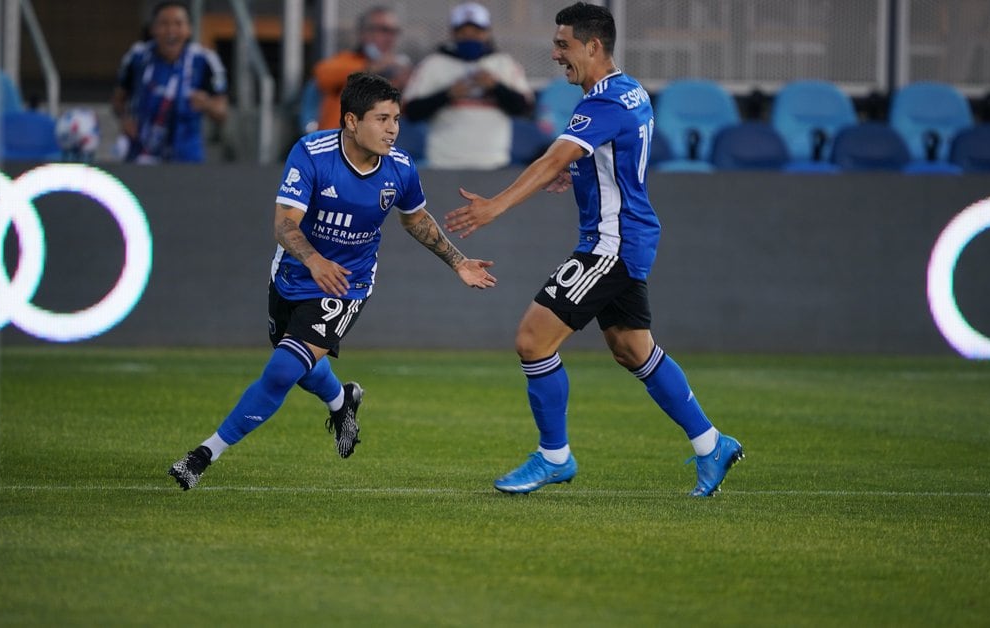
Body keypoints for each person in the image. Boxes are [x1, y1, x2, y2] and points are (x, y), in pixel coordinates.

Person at [444, 3, 744, 497]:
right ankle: (712, 444)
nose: (556, 53)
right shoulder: (628, 92)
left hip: (611, 244)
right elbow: (609, 156)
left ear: (593, 46)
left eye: (564, 44)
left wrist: (494, 206)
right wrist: (581, 169)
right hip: (628, 238)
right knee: (632, 349)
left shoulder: (603, 102)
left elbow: (554, 156)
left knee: (532, 340)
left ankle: (554, 457)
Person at [168, 72, 497, 490]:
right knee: (304, 367)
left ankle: (201, 457)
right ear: (351, 122)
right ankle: (343, 402)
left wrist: (458, 261)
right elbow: (285, 225)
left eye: (395, 118)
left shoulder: (400, 168)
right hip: (293, 274)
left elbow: (415, 219)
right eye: (381, 119)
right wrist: (314, 260)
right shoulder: (311, 153)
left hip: (347, 285)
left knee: (283, 369)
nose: (392, 129)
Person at [401, 2, 533, 169]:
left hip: (493, 163)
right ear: (453, 33)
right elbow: (411, 112)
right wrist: (448, 95)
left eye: (476, 32)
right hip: (444, 163)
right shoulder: (434, 64)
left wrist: (495, 87)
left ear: (487, 32)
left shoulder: (503, 63)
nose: (470, 37)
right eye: (463, 32)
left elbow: (524, 108)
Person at [111, 1, 227, 164]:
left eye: (178, 24)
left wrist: (206, 104)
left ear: (189, 30)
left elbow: (222, 113)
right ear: (153, 29)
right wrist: (124, 120)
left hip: (187, 159)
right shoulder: (137, 56)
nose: (171, 30)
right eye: (164, 24)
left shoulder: (204, 60)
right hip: (141, 155)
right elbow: (118, 99)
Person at [312, 5, 411, 132]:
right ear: (364, 33)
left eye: (394, 31)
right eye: (384, 30)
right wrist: (373, 67)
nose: (390, 37)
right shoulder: (348, 61)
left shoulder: (398, 70)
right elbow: (322, 75)